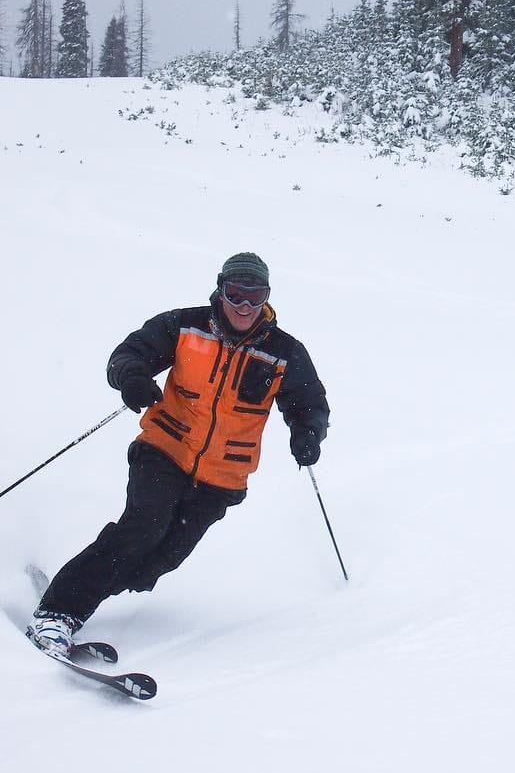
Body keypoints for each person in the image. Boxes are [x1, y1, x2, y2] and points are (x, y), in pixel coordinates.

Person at [27, 252, 330, 655]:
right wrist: (132, 379)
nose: (244, 306)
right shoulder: (185, 326)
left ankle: (86, 580)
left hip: (221, 477)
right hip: (164, 449)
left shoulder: (285, 352)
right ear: (220, 290)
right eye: (235, 293)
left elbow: (309, 403)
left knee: (159, 560)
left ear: (267, 298)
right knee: (141, 529)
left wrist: (308, 433)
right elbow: (128, 354)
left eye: (254, 297)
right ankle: (59, 612)